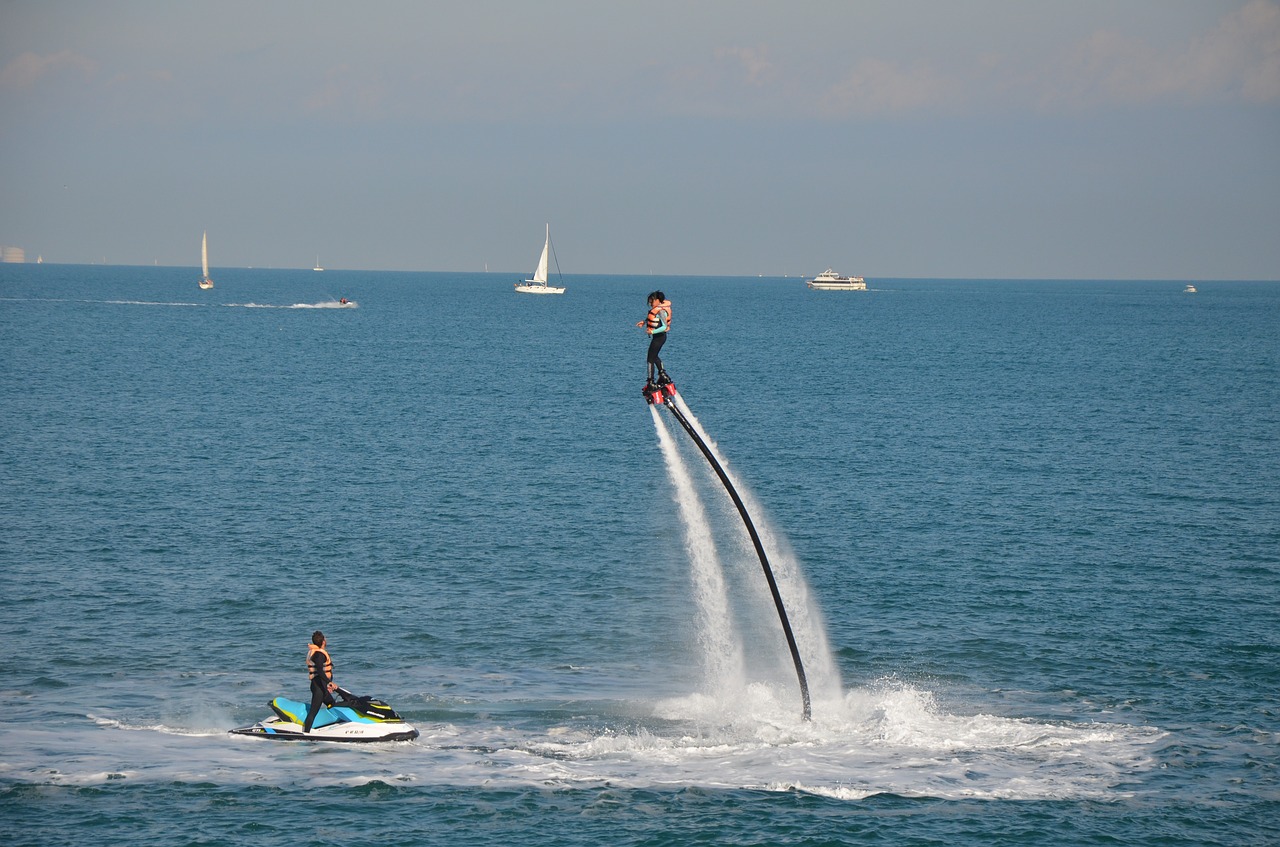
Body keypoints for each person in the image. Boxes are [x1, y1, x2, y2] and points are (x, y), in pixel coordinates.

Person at [303, 630, 337, 733]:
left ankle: (333, 728)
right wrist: (329, 682)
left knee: (332, 704)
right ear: (323, 641)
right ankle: (305, 734)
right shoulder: (319, 655)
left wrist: (327, 685)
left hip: (320, 686)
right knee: (313, 712)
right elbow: (320, 671)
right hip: (319, 687)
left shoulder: (316, 652)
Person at [636, 290, 672, 385]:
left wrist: (652, 331)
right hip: (657, 338)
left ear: (657, 300)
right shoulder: (657, 311)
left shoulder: (661, 311)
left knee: (650, 359)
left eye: (652, 301)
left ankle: (650, 381)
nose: (650, 303)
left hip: (659, 337)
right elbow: (652, 318)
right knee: (654, 356)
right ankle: (662, 374)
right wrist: (644, 322)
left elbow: (664, 327)